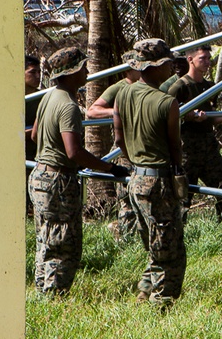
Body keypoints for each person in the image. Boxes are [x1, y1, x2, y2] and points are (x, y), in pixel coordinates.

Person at [28, 47, 128, 294]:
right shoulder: (68, 107)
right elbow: (74, 152)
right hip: (58, 181)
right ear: (71, 72)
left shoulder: (48, 97)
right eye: (83, 67)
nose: (86, 72)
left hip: (40, 176)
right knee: (63, 243)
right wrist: (109, 167)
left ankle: (43, 288)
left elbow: (34, 135)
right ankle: (54, 295)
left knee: (46, 238)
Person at [113, 39, 185, 305]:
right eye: (168, 63)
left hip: (135, 178)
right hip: (159, 181)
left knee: (152, 242)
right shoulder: (167, 102)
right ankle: (162, 303)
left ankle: (145, 291)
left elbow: (119, 139)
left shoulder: (123, 94)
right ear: (156, 67)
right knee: (170, 249)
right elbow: (175, 147)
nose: (171, 68)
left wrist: (134, 159)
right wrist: (178, 174)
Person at [167, 44, 222, 222]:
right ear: (190, 60)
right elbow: (166, 118)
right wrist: (187, 117)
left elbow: (210, 118)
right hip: (187, 151)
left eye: (208, 58)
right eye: (202, 59)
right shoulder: (179, 87)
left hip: (209, 149)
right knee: (183, 197)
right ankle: (178, 232)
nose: (207, 62)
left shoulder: (209, 87)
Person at [86, 50, 140, 237]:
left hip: (144, 149)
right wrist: (118, 112)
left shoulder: (149, 85)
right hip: (124, 150)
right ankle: (125, 238)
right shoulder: (119, 87)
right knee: (126, 198)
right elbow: (92, 111)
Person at [25, 55, 41, 215]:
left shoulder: (42, 97)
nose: (37, 76)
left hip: (36, 156)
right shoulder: (11, 98)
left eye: (39, 72)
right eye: (32, 72)